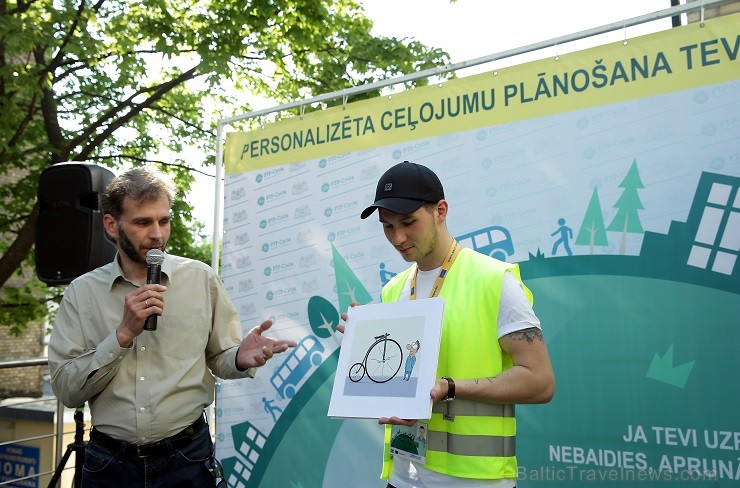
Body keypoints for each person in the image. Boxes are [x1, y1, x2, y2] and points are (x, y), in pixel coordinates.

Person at [48, 167, 296, 487]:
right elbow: (66, 390)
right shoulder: (82, 293)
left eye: (163, 221)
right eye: (142, 222)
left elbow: (219, 356)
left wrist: (237, 357)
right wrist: (122, 335)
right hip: (110, 465)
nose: (157, 234)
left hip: (188, 458)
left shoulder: (200, 278)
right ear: (111, 225)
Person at [358, 161, 555, 488]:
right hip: (402, 475)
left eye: (408, 222)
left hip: (474, 480)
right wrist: (362, 347)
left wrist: (449, 388)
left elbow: (541, 382)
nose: (398, 237)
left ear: (441, 210)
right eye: (388, 226)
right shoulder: (392, 290)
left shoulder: (494, 279)